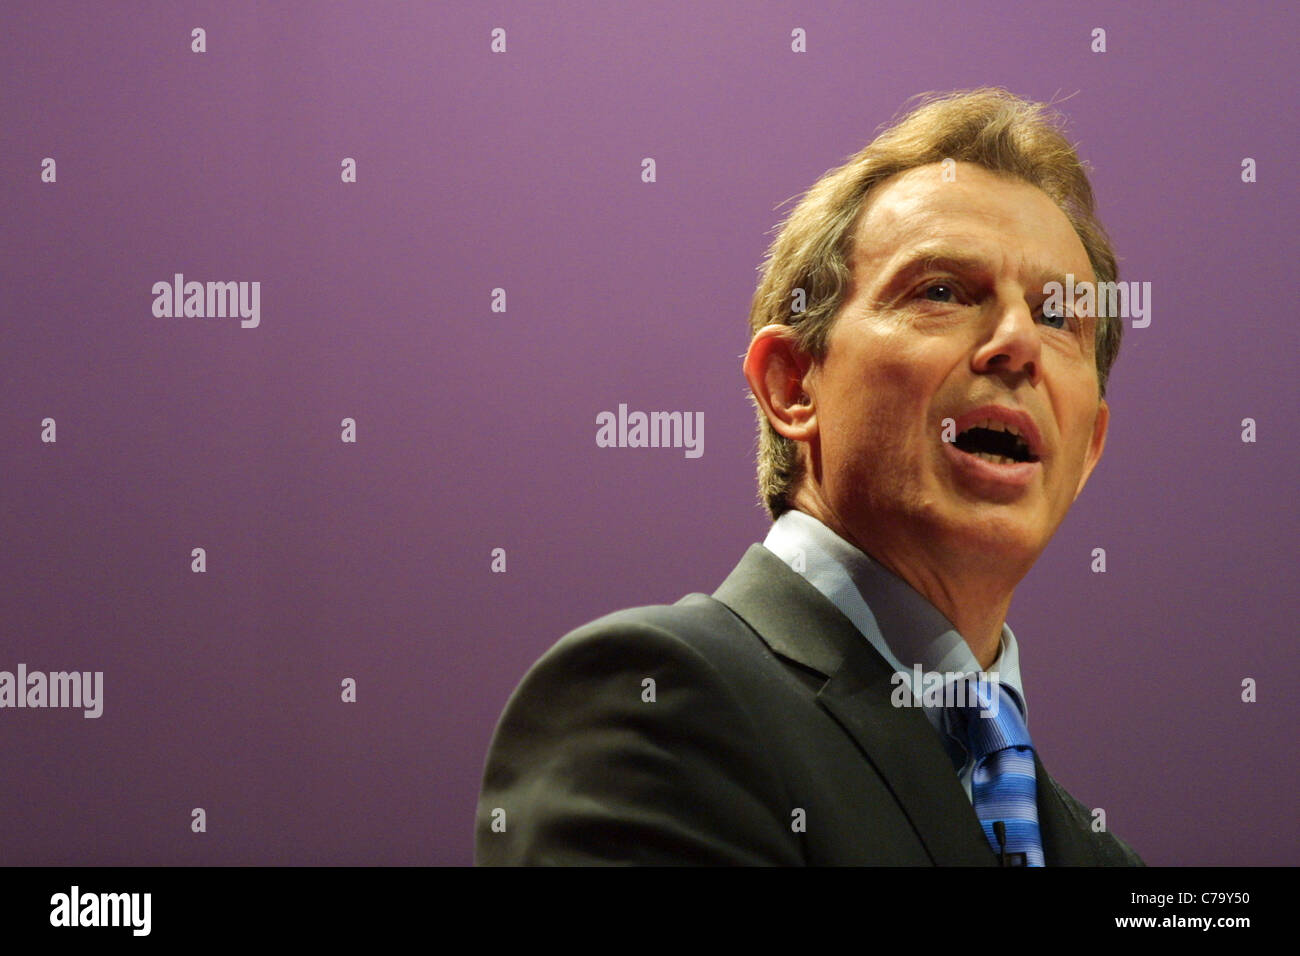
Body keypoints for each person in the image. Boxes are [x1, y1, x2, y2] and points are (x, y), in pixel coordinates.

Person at [475, 88, 1144, 866]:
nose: (1018, 344)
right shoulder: (655, 705)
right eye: (942, 291)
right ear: (794, 385)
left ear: (1088, 445)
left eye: (1059, 317)